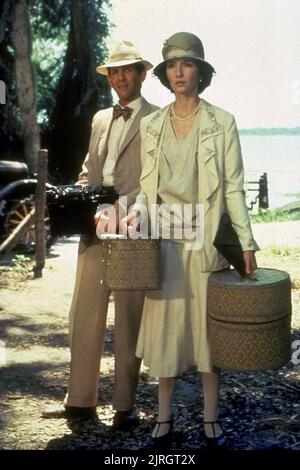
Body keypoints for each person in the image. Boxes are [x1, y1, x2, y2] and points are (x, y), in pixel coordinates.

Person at [121, 32, 258, 445]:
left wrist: (247, 243)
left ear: (201, 71)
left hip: (206, 241)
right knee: (165, 332)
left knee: (205, 334)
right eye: (172, 66)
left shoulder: (222, 122)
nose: (179, 72)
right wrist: (135, 214)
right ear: (164, 75)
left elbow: (233, 188)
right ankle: (163, 419)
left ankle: (210, 419)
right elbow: (148, 190)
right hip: (164, 241)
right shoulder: (152, 124)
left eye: (187, 64)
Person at [42, 40, 158, 430]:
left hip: (131, 229)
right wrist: (79, 202)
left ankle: (125, 408)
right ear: (108, 77)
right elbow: (89, 170)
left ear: (142, 74)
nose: (120, 77)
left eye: (128, 70)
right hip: (93, 228)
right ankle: (79, 402)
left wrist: (125, 210)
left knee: (129, 318)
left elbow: (159, 181)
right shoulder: (98, 119)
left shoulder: (159, 120)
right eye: (114, 71)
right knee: (84, 314)